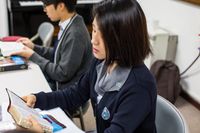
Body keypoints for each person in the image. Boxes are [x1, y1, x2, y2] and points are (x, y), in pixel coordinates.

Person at [22, 0, 157, 132]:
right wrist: (37, 99)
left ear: (124, 39)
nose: (93, 40)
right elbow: (74, 95)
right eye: (94, 30)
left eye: (103, 34)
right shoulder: (101, 61)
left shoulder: (139, 86)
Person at [14, 0, 92, 90]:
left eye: (46, 5)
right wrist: (34, 48)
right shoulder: (70, 23)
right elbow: (59, 53)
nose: (44, 9)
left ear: (61, 6)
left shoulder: (75, 34)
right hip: (61, 86)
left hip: (66, 94)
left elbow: (62, 74)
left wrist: (33, 56)